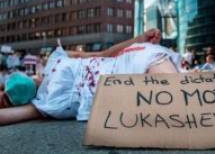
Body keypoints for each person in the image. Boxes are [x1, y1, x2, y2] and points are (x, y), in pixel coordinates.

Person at [0, 29, 175, 125]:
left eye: (4, 90)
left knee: (178, 90)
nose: (6, 93)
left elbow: (104, 53)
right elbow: (8, 116)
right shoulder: (44, 104)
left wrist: (140, 38)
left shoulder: (57, 57)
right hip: (122, 95)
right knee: (177, 104)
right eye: (7, 99)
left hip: (128, 63)